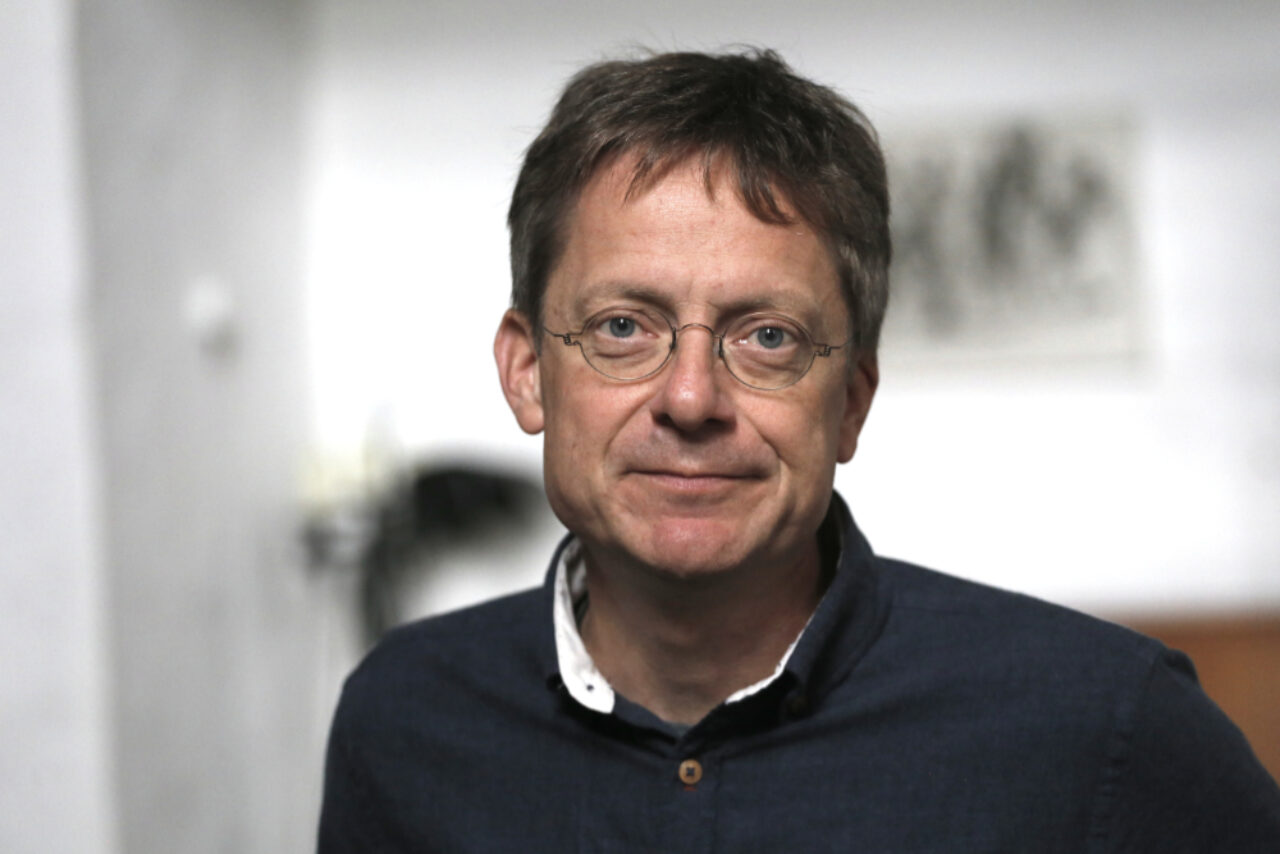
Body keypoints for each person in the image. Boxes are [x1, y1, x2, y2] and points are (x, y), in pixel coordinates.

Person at [317, 49, 1280, 851]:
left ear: (851, 400)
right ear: (529, 372)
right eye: (623, 327)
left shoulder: (1108, 728)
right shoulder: (404, 720)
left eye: (767, 337)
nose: (690, 399)